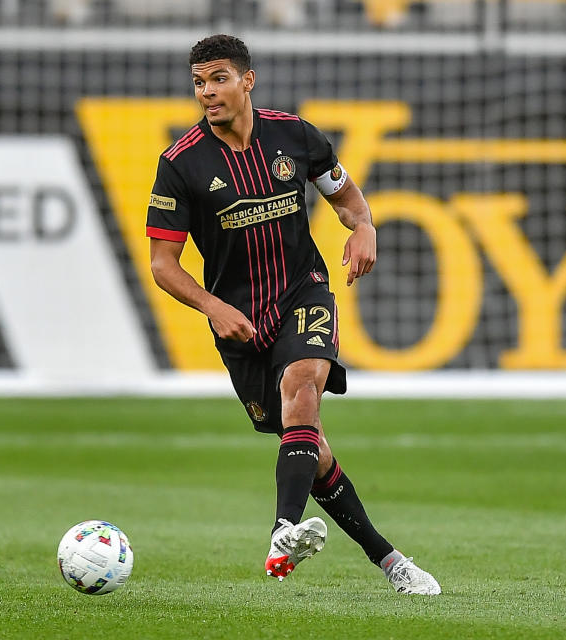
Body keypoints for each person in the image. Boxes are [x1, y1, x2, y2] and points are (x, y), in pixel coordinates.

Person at [147, 34, 441, 595]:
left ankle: (283, 529)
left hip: (302, 293)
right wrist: (213, 307)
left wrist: (364, 230)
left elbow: (349, 200)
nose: (207, 92)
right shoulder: (181, 165)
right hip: (240, 322)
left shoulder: (296, 137)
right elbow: (163, 264)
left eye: (218, 79)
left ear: (247, 80)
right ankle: (391, 560)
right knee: (311, 445)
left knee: (303, 381)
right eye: (198, 83)